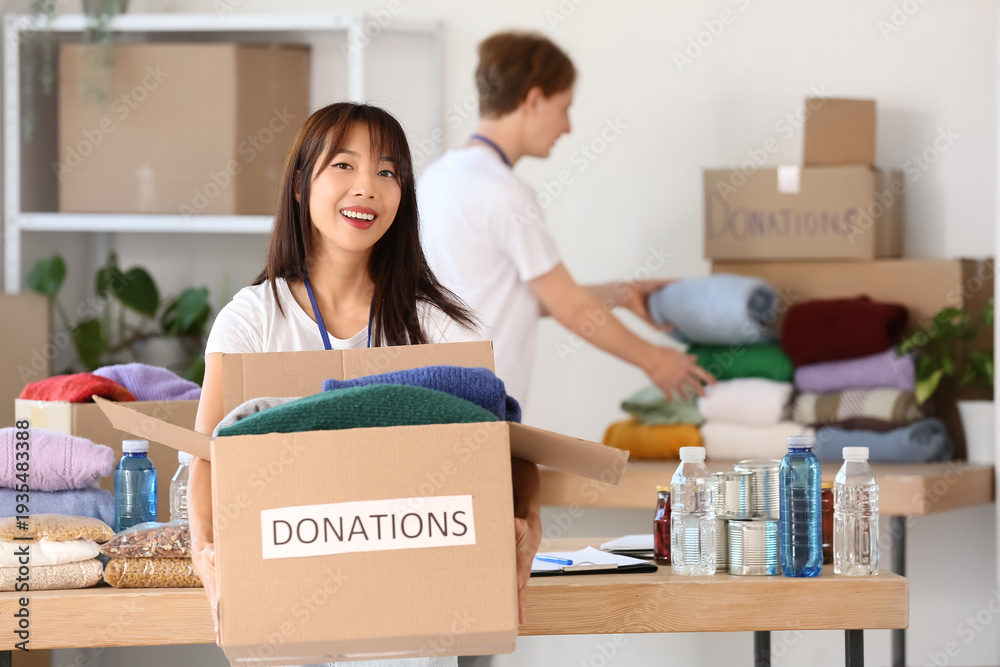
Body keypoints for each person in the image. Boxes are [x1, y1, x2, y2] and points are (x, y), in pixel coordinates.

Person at [188, 103, 542, 667]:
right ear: (301, 185)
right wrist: (205, 548)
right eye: (344, 166)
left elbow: (503, 443)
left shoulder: (439, 326)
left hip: (407, 628)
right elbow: (207, 455)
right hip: (284, 614)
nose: (368, 188)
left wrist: (528, 520)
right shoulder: (252, 319)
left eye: (387, 171)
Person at [418, 32, 714, 408]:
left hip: (437, 398)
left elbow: (500, 297)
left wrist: (621, 293)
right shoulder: (503, 191)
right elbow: (569, 308)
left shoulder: (437, 178)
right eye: (564, 107)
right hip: (480, 410)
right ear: (534, 99)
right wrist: (655, 361)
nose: (567, 127)